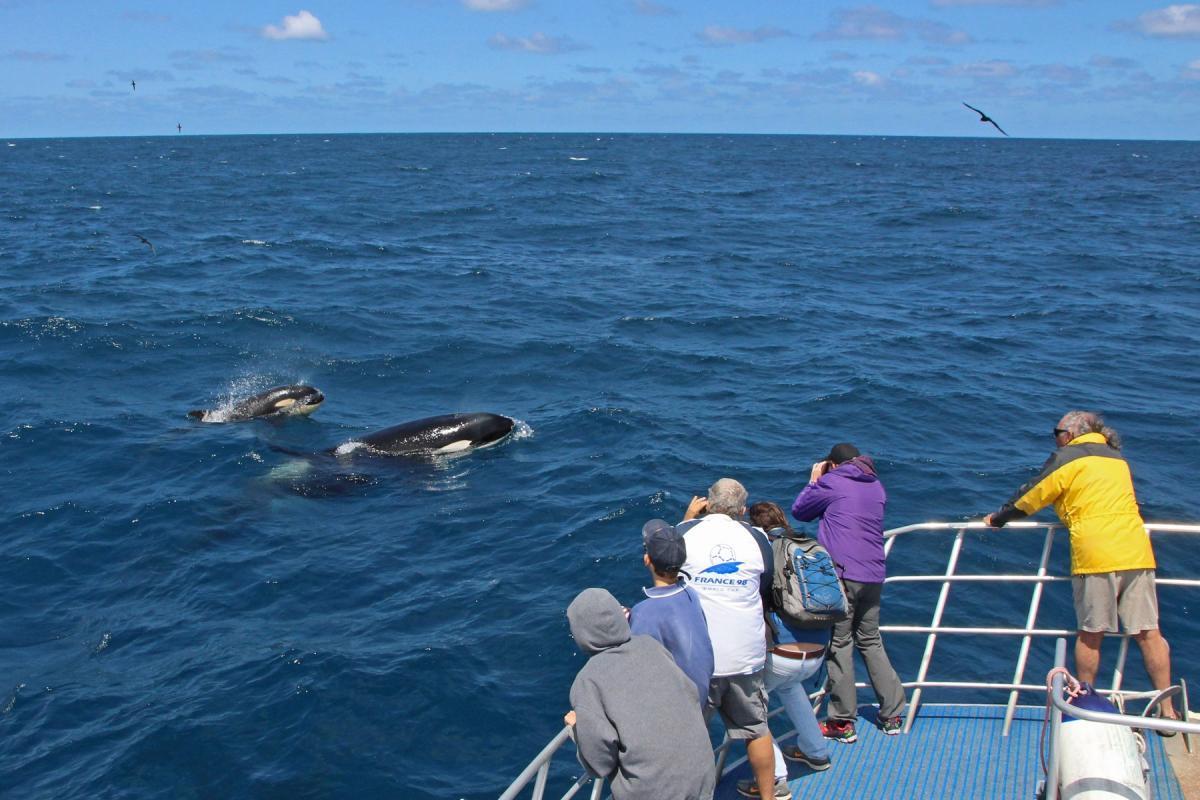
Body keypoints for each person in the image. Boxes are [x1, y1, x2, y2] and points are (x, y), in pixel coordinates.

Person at [984, 410, 1178, 726]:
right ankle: (1167, 712)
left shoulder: (1068, 457)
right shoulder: (1116, 458)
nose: (1055, 437)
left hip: (1096, 553)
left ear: (1071, 433)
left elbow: (1032, 496)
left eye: (1056, 431)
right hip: (1136, 550)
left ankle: (1085, 704)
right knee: (1149, 633)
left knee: (1091, 634)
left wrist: (998, 518)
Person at [791, 443, 905, 742]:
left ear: (833, 463)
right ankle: (892, 713)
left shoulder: (832, 481)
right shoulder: (876, 485)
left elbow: (800, 511)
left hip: (843, 574)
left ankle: (841, 722)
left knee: (840, 643)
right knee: (871, 641)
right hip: (874, 573)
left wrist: (815, 479)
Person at [678, 479, 783, 800]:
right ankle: (769, 795)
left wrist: (686, 518)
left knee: (689, 737)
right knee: (756, 729)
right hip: (745, 655)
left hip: (699, 658)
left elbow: (665, 566)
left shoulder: (685, 533)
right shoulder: (758, 538)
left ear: (707, 503)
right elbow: (765, 586)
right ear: (742, 511)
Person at [564, 588, 716, 800]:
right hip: (703, 776)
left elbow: (599, 764)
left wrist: (578, 730)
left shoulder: (588, 680)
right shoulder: (652, 646)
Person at [736, 501, 832, 798]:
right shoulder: (810, 545)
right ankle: (816, 752)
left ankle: (774, 779)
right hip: (816, 653)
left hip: (782, 654)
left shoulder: (764, 552)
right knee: (791, 689)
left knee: (750, 707)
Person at [629, 519, 715, 705]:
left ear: (647, 560)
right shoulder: (692, 594)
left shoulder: (643, 613)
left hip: (678, 706)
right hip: (703, 692)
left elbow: (635, 665)